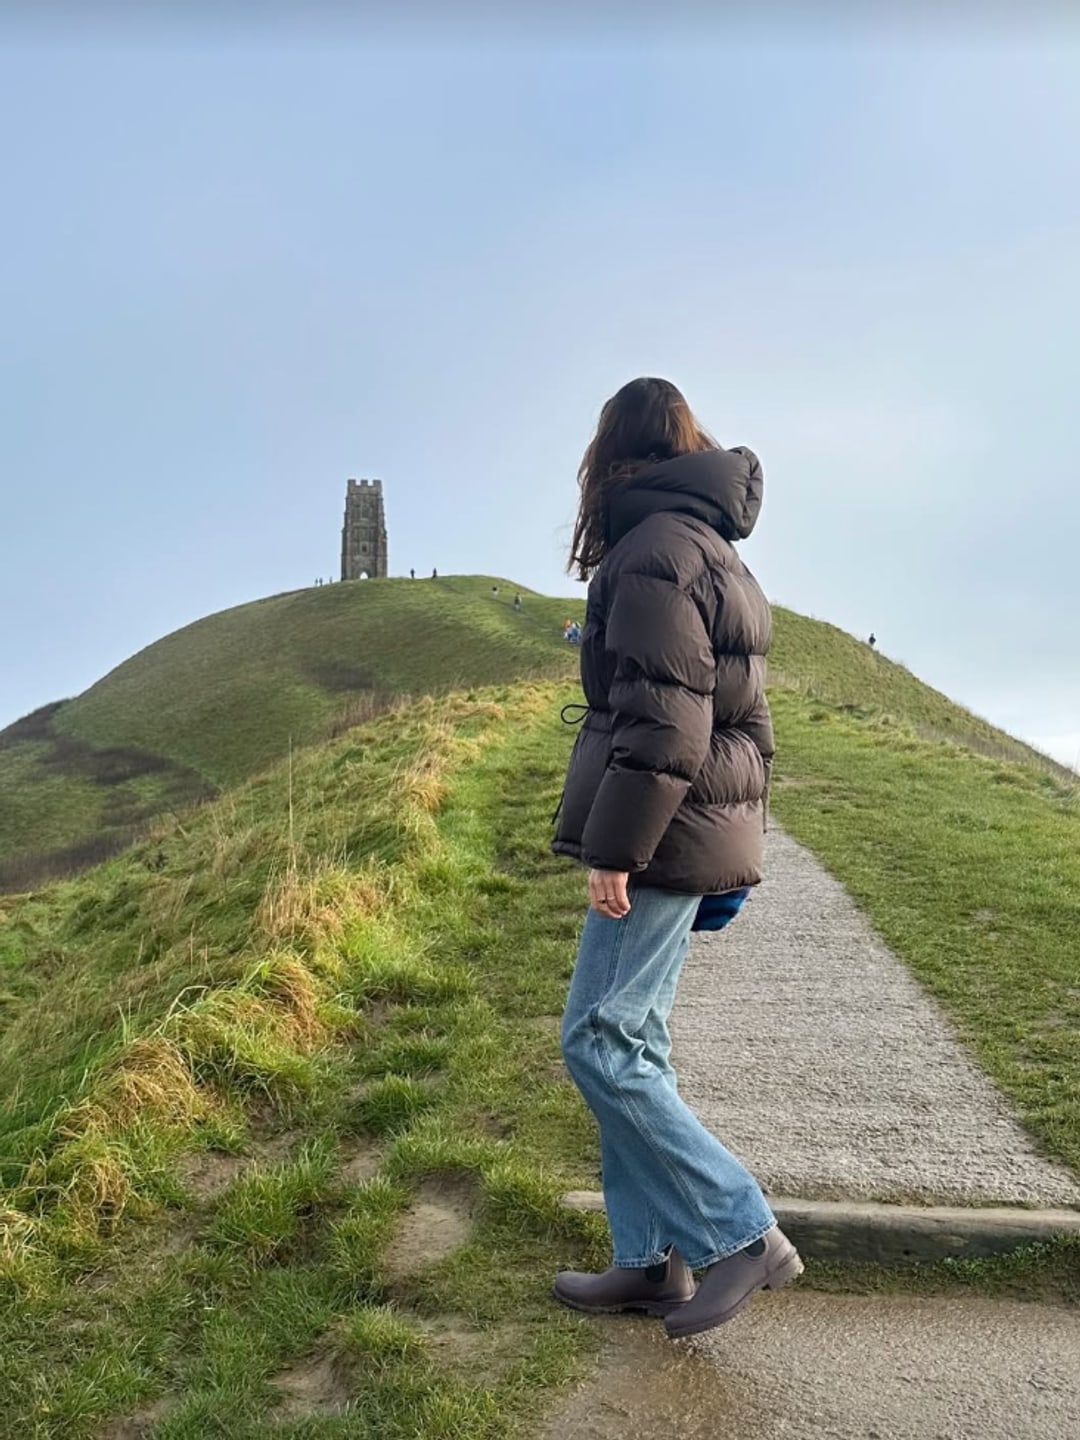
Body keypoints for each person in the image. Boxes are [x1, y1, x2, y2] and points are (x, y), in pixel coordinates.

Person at [551, 376, 802, 1339]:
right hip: (693, 827)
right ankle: (648, 1261)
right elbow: (748, 717)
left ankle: (739, 1233)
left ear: (611, 453)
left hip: (659, 832)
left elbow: (666, 721)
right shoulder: (710, 548)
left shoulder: (654, 551)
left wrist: (620, 848)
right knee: (635, 1040)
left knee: (600, 1041)